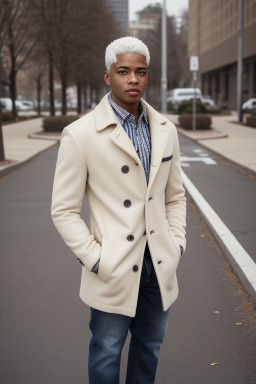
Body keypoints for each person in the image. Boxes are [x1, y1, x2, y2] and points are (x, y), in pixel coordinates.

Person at [51, 36, 186, 384]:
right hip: (113, 266)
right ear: (108, 76)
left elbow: (175, 196)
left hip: (157, 264)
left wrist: (177, 244)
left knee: (150, 348)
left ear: (147, 76)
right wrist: (97, 259)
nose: (133, 79)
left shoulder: (165, 130)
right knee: (107, 350)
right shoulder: (80, 134)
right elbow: (64, 210)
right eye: (123, 71)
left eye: (140, 72)